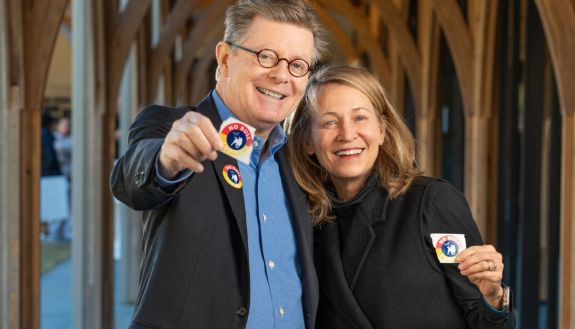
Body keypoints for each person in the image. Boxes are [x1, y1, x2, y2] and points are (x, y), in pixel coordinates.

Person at [110, 1, 328, 328]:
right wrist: (166, 160)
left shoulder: (299, 161)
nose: (281, 75)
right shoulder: (172, 128)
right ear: (226, 58)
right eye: (265, 56)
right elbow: (130, 178)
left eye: (297, 65)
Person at [286, 63, 516, 328]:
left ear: (382, 130)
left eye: (360, 118)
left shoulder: (432, 203)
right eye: (329, 122)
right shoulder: (303, 220)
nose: (347, 134)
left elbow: (482, 316)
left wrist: (493, 296)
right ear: (307, 142)